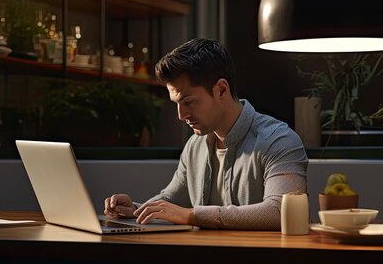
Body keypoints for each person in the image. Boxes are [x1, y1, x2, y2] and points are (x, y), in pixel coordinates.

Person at [104, 38, 308, 230]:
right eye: (177, 104)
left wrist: (193, 216)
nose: (181, 115)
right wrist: (135, 211)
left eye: (189, 102)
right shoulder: (195, 145)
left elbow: (281, 211)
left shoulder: (278, 140)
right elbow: (171, 201)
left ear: (221, 90)